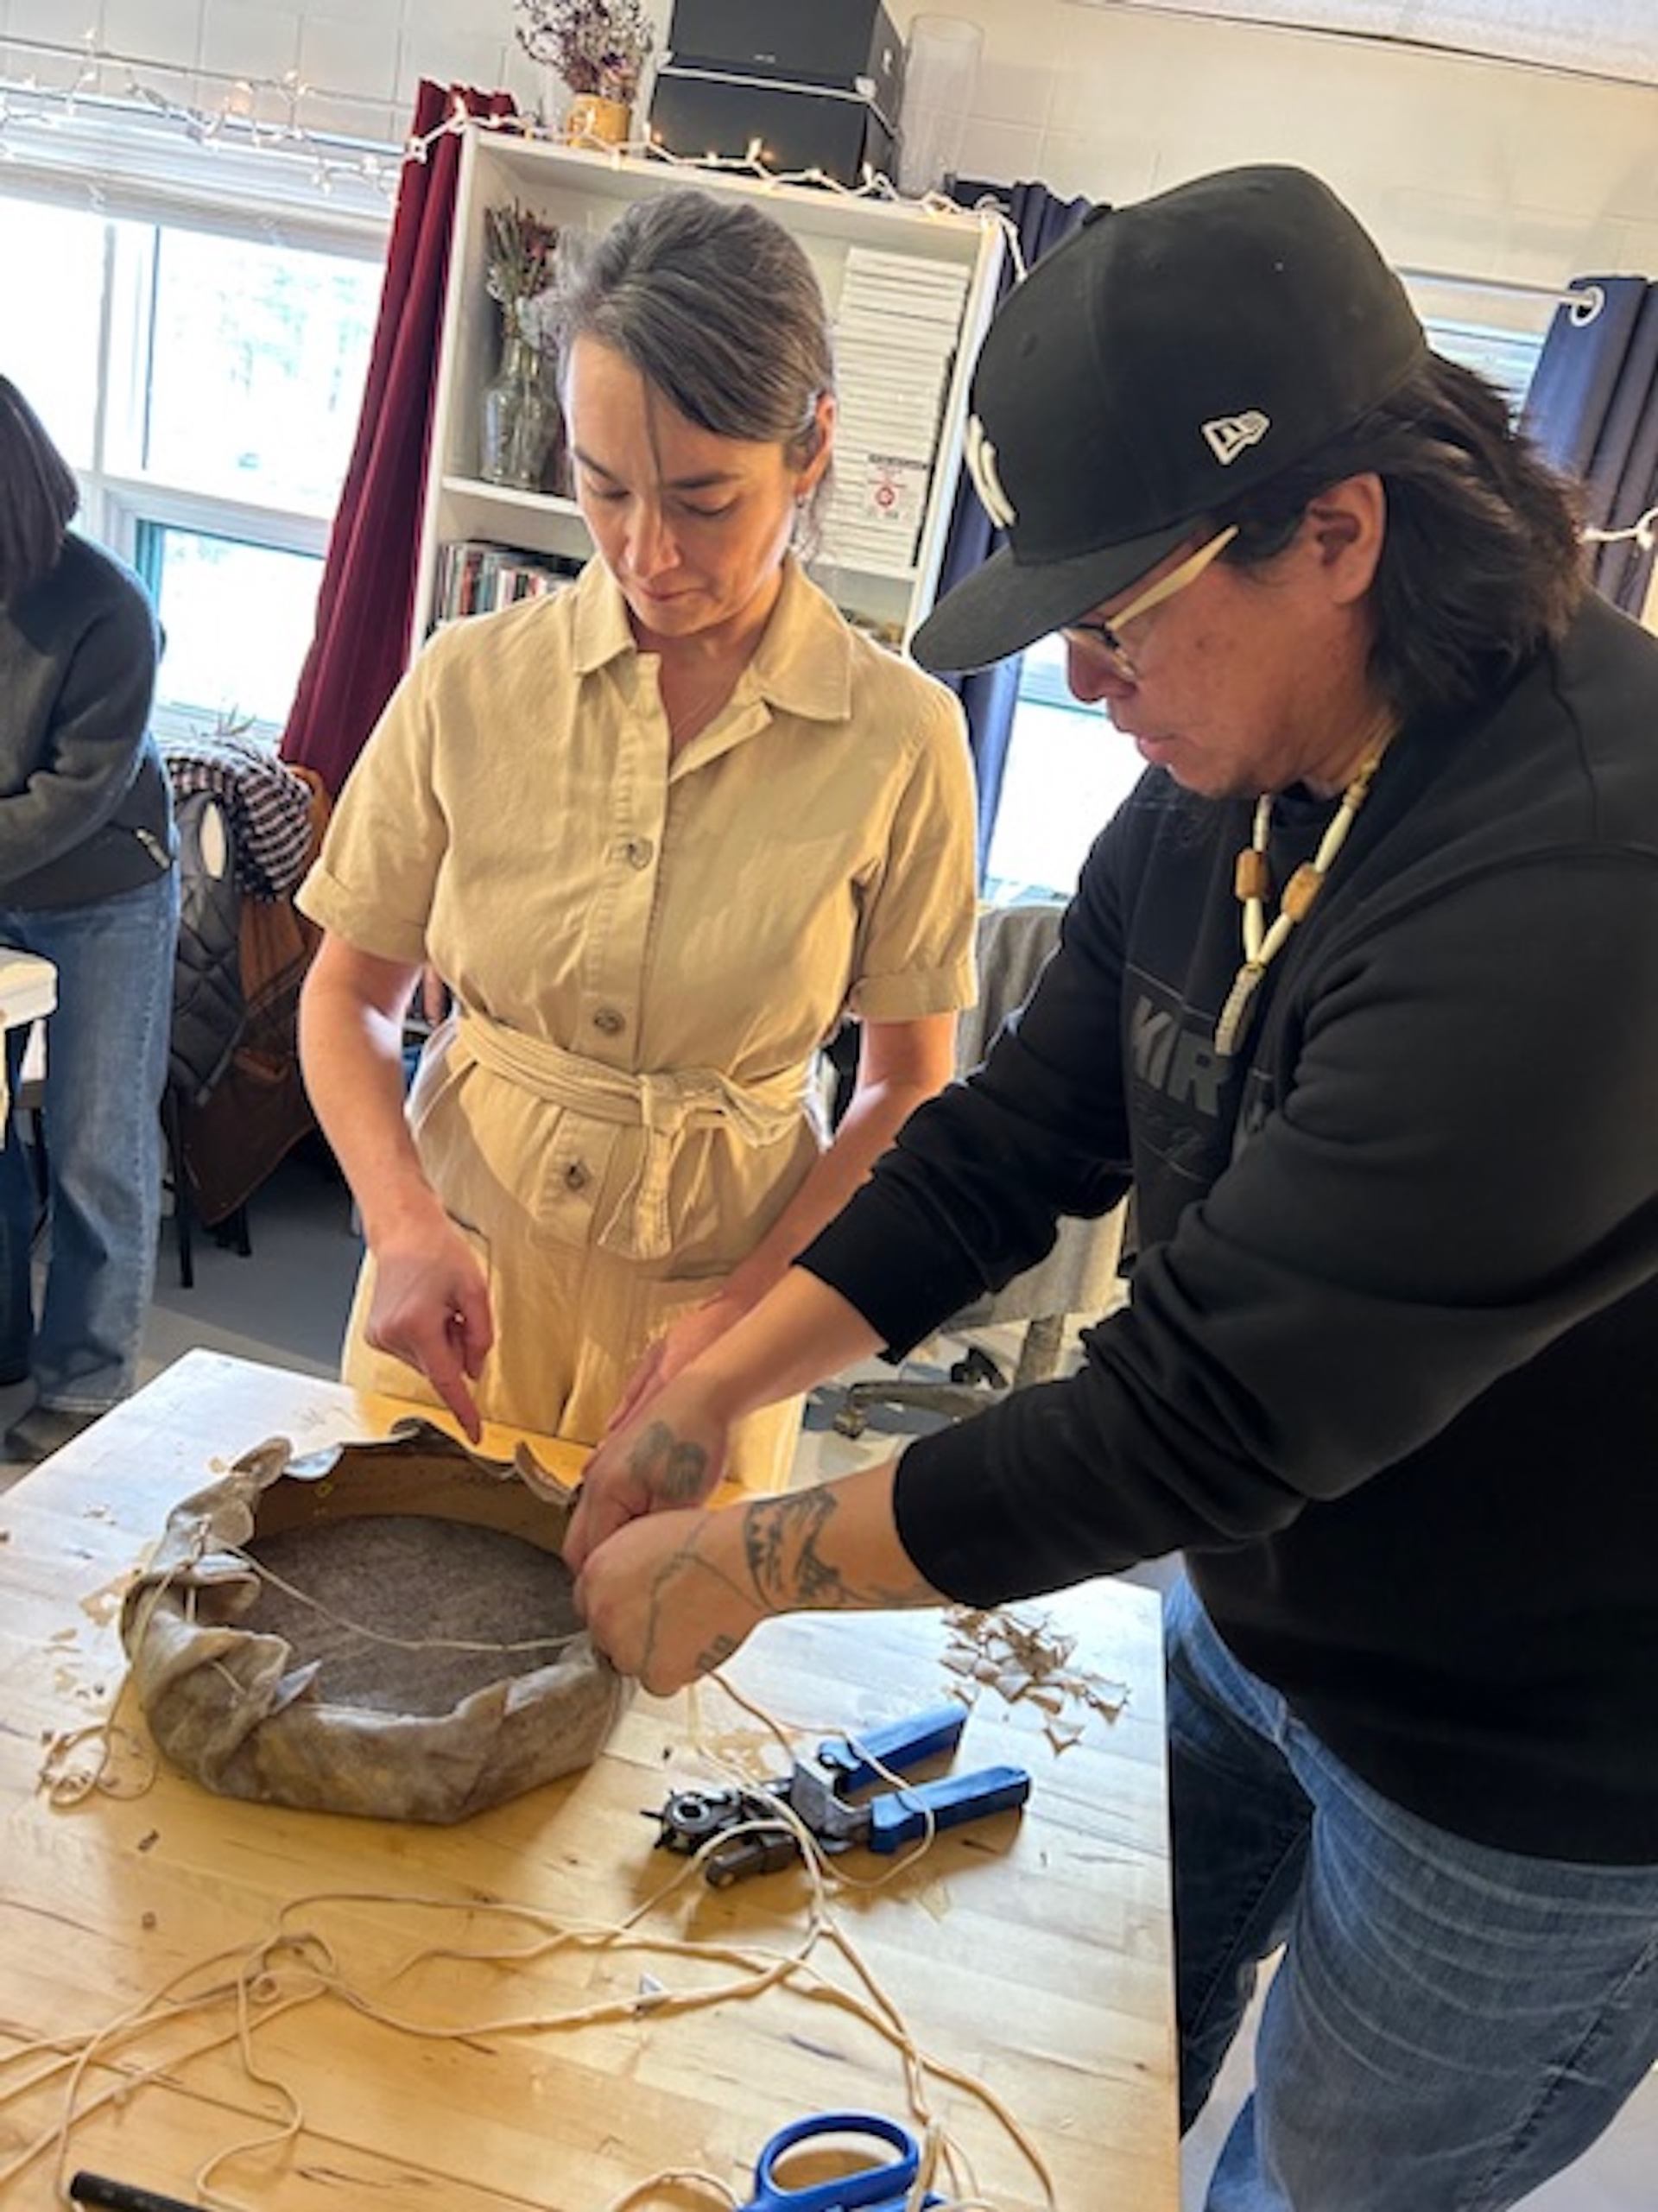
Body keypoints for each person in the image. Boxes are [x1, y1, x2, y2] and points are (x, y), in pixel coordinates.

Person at [566, 166, 1658, 2210]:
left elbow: (1195, 1415)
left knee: (1319, 2182)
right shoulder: (1236, 768)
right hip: (1261, 1606)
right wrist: (716, 1373)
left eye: (1119, 616)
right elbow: (1015, 1135)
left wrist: (750, 1560)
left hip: (1527, 1748)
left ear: (1337, 533)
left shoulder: (1588, 878)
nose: (1084, 678)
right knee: (1098, 2057)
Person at [296, 189, 978, 1483]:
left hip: (715, 1324)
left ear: (812, 447)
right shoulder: (467, 679)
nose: (646, 551)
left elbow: (904, 1085)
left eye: (706, 500)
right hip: (458, 1278)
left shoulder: (902, 738)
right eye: (603, 486)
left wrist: (748, 1321)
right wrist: (400, 1220)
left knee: (665, 1617)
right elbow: (349, 995)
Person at [0, 377, 177, 1470]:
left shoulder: (108, 608)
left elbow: (74, 796)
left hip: (105, 893)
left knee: (94, 1146)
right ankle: (7, 1344)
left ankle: (86, 1384)